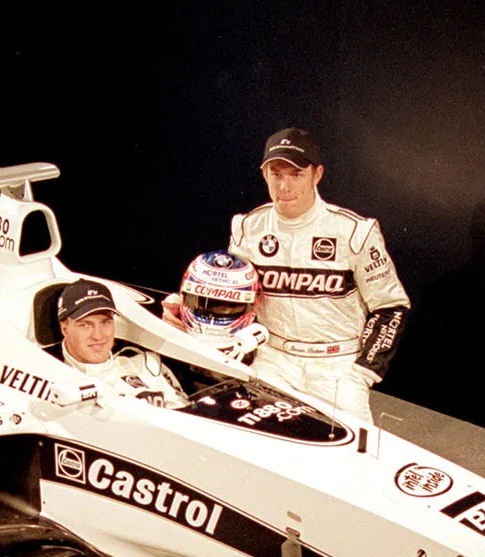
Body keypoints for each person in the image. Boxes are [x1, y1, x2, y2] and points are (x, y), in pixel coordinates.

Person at [224, 127, 410, 424]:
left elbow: (391, 307)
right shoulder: (248, 227)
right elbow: (233, 295)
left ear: (317, 174)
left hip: (337, 366)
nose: (285, 186)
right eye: (277, 174)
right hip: (274, 360)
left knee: (350, 459)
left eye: (296, 174)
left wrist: (362, 372)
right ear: (265, 175)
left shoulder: (355, 232)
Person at [55, 279, 189, 408]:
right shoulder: (59, 384)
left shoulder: (145, 363)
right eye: (85, 325)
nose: (98, 335)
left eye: (105, 322)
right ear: (64, 329)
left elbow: (185, 412)